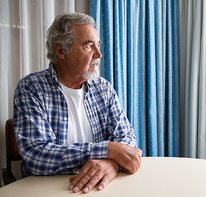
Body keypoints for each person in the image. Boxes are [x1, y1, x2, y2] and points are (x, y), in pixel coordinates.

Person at [13, 12, 142, 194]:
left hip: (100, 188)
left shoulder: (103, 88)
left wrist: (110, 163)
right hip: (47, 191)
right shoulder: (31, 88)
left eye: (98, 45)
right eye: (89, 46)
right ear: (60, 50)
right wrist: (108, 150)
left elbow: (126, 141)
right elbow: (38, 156)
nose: (99, 54)